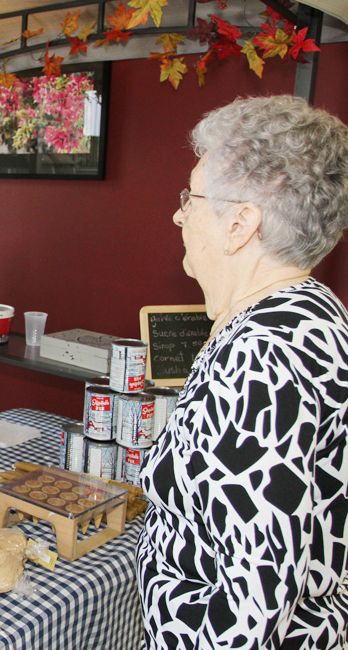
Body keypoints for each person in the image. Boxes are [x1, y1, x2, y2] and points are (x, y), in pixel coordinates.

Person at [137, 95, 348, 650]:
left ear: (239, 224)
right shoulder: (313, 311)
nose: (179, 214)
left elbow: (252, 608)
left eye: (191, 196)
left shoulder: (262, 358)